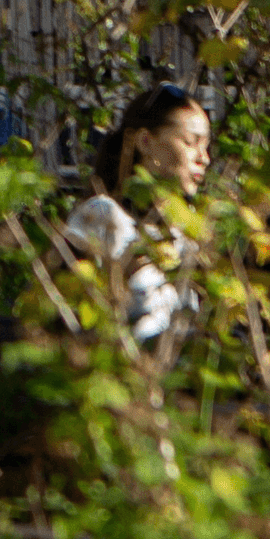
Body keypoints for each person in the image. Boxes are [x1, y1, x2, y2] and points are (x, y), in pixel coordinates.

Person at [63, 83, 214, 345]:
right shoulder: (104, 216)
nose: (204, 158)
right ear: (146, 142)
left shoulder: (183, 233)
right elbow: (65, 317)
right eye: (191, 142)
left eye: (207, 146)